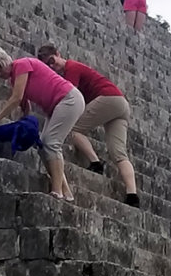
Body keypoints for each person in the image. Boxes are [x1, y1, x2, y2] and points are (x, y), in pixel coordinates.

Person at [37, 45, 139, 207]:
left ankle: (95, 162)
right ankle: (132, 195)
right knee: (119, 153)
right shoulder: (73, 68)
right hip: (121, 104)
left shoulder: (71, 68)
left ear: (58, 54)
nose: (52, 66)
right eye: (48, 65)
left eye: (52, 61)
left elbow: (68, 96)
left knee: (74, 129)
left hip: (108, 98)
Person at [0, 46, 84, 201]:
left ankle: (57, 191)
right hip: (57, 106)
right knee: (43, 146)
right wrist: (24, 124)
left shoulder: (22, 64)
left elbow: (16, 98)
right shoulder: (15, 79)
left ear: (4, 60)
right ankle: (66, 191)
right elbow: (25, 105)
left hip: (68, 99)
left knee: (52, 143)